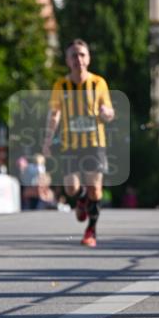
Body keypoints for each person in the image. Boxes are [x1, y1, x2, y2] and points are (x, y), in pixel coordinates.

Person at [42, 39, 115, 247]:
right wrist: (47, 140)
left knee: (96, 189)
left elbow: (108, 110)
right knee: (71, 188)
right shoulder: (61, 85)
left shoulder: (98, 83)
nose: (78, 59)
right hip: (70, 144)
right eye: (74, 55)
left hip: (94, 143)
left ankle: (91, 231)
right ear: (67, 60)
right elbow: (54, 114)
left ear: (89, 58)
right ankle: (81, 199)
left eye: (82, 55)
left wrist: (106, 113)